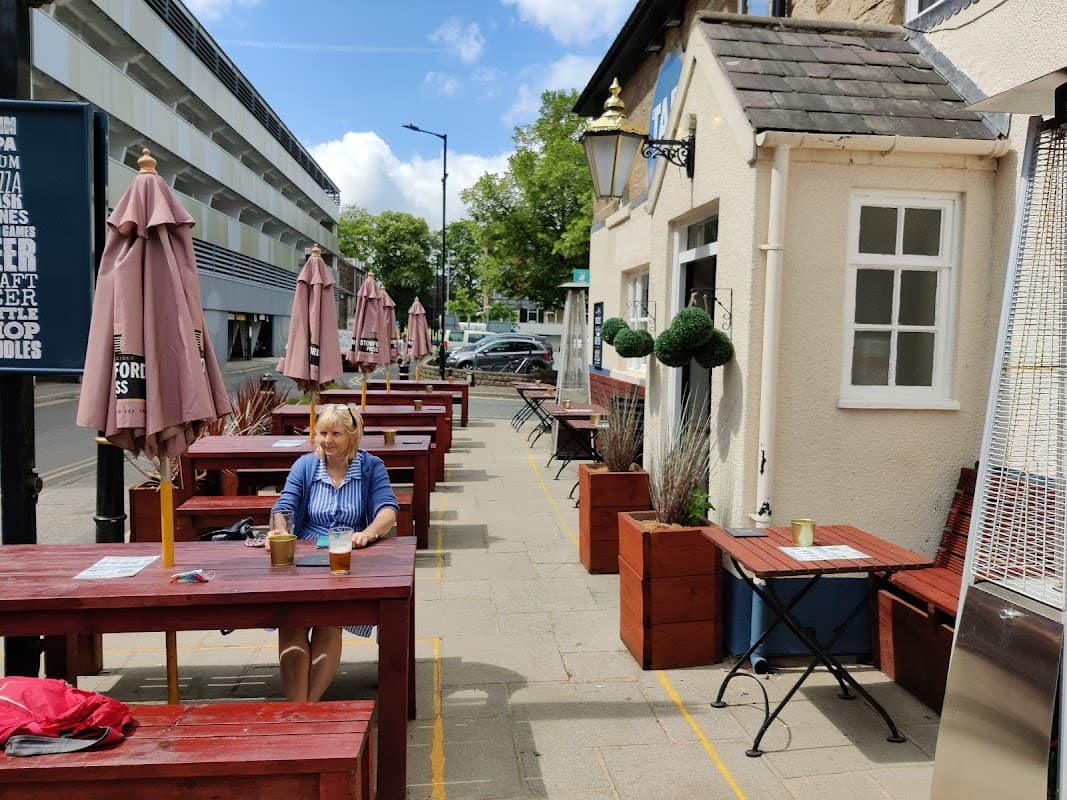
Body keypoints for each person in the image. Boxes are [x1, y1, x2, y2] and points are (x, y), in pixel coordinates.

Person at [268, 403, 398, 702]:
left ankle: (307, 709)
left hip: (347, 559)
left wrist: (368, 532)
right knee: (292, 624)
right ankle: (298, 710)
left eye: (335, 434)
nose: (327, 441)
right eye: (322, 433)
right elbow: (284, 506)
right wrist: (279, 527)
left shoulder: (370, 467)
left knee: (330, 622)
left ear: (352, 436)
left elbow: (388, 510)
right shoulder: (304, 465)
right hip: (304, 558)